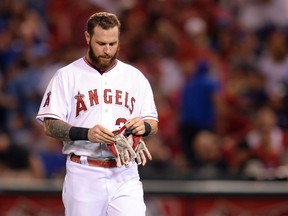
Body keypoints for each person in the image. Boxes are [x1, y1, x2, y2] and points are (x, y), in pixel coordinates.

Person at [36, 12, 158, 216]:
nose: (107, 50)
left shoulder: (135, 77)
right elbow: (50, 125)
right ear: (87, 38)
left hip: (125, 172)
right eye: (101, 43)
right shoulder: (67, 75)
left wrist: (143, 126)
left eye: (113, 43)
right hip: (84, 173)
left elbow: (152, 121)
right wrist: (86, 133)